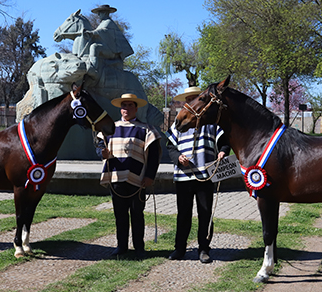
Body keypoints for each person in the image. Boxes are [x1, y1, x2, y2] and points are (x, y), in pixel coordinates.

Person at [166, 86, 230, 263]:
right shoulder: (178, 122)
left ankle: (204, 249)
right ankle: (179, 248)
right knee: (183, 213)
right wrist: (178, 158)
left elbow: (225, 143)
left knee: (205, 213)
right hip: (184, 177)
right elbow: (170, 146)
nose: (191, 102)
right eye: (189, 99)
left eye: (195, 98)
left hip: (205, 175)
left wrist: (223, 152)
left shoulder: (211, 123)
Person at [97, 93, 162, 258]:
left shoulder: (147, 129)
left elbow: (154, 155)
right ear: (120, 108)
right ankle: (121, 246)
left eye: (129, 105)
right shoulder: (110, 127)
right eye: (123, 106)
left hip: (137, 179)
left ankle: (139, 247)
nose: (126, 109)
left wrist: (149, 176)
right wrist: (101, 153)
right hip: (116, 178)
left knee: (137, 214)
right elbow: (99, 145)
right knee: (120, 214)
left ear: (136, 108)